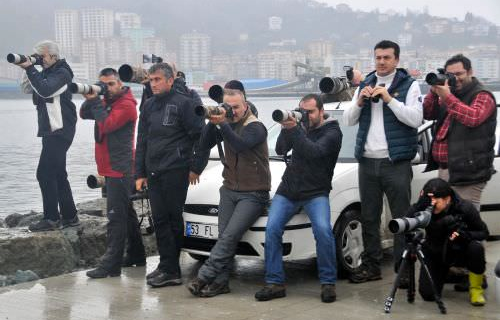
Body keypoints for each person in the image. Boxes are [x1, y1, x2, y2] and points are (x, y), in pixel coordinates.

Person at [343, 40, 423, 284]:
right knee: (369, 217)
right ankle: (371, 266)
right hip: (367, 162)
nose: (382, 62)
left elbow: (415, 119)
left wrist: (389, 99)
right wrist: (359, 101)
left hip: (395, 162)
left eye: (387, 57)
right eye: (378, 57)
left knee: (401, 218)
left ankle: (404, 270)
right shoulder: (365, 83)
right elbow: (348, 120)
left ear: (396, 60)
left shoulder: (409, 85)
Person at [254, 94, 342, 303]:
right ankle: (275, 282)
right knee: (272, 228)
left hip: (316, 192)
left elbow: (314, 152)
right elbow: (281, 149)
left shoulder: (333, 132)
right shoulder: (298, 127)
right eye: (303, 111)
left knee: (323, 231)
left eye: (310, 112)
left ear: (321, 111)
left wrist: (295, 129)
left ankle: (328, 283)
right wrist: (287, 128)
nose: (306, 116)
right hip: (289, 190)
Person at [187, 88, 271, 298]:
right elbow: (204, 144)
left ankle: (203, 277)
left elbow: (240, 145)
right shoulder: (224, 124)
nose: (232, 111)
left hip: (254, 193)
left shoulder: (256, 126)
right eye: (228, 106)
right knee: (224, 237)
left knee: (229, 236)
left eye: (236, 107)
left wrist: (223, 123)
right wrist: (211, 121)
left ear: (245, 105)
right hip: (229, 190)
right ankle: (221, 282)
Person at [135, 63, 208, 288]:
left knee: (173, 219)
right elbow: (142, 140)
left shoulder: (185, 104)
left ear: (169, 80)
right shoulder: (148, 106)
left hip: (176, 170)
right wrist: (140, 173)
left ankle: (172, 269)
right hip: (154, 171)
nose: (153, 84)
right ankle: (166, 265)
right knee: (159, 220)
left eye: (157, 79)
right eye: (151, 80)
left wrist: (196, 167)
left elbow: (201, 137)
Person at [79, 68, 146, 278]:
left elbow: (107, 125)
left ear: (120, 84)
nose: (107, 88)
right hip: (110, 166)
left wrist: (97, 101)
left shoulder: (127, 106)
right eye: (103, 84)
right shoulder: (106, 101)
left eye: (110, 84)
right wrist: (93, 95)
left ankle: (111, 265)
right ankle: (137, 255)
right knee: (126, 213)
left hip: (120, 167)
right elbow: (83, 113)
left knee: (115, 218)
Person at [17, 40, 79, 232]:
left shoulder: (62, 72)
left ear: (53, 56)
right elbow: (27, 89)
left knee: (44, 173)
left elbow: (45, 90)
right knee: (58, 173)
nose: (40, 60)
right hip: (51, 129)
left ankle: (51, 218)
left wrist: (31, 68)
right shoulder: (46, 72)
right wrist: (29, 66)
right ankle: (70, 216)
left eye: (42, 56)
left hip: (60, 130)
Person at [423, 54, 497, 210]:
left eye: (459, 74)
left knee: (466, 221)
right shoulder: (450, 94)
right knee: (448, 219)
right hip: (446, 168)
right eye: (451, 75)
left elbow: (473, 118)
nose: (455, 79)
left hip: (469, 171)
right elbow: (428, 114)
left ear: (470, 72)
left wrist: (448, 97)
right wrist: (433, 91)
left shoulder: (482, 95)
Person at [406, 178, 489, 306]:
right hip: (435, 252)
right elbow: (406, 226)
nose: (431, 205)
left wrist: (465, 235)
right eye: (429, 200)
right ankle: (447, 275)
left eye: (436, 201)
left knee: (476, 248)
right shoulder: (423, 206)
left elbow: (483, 232)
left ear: (447, 199)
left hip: (459, 250)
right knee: (429, 295)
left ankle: (476, 289)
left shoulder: (464, 207)